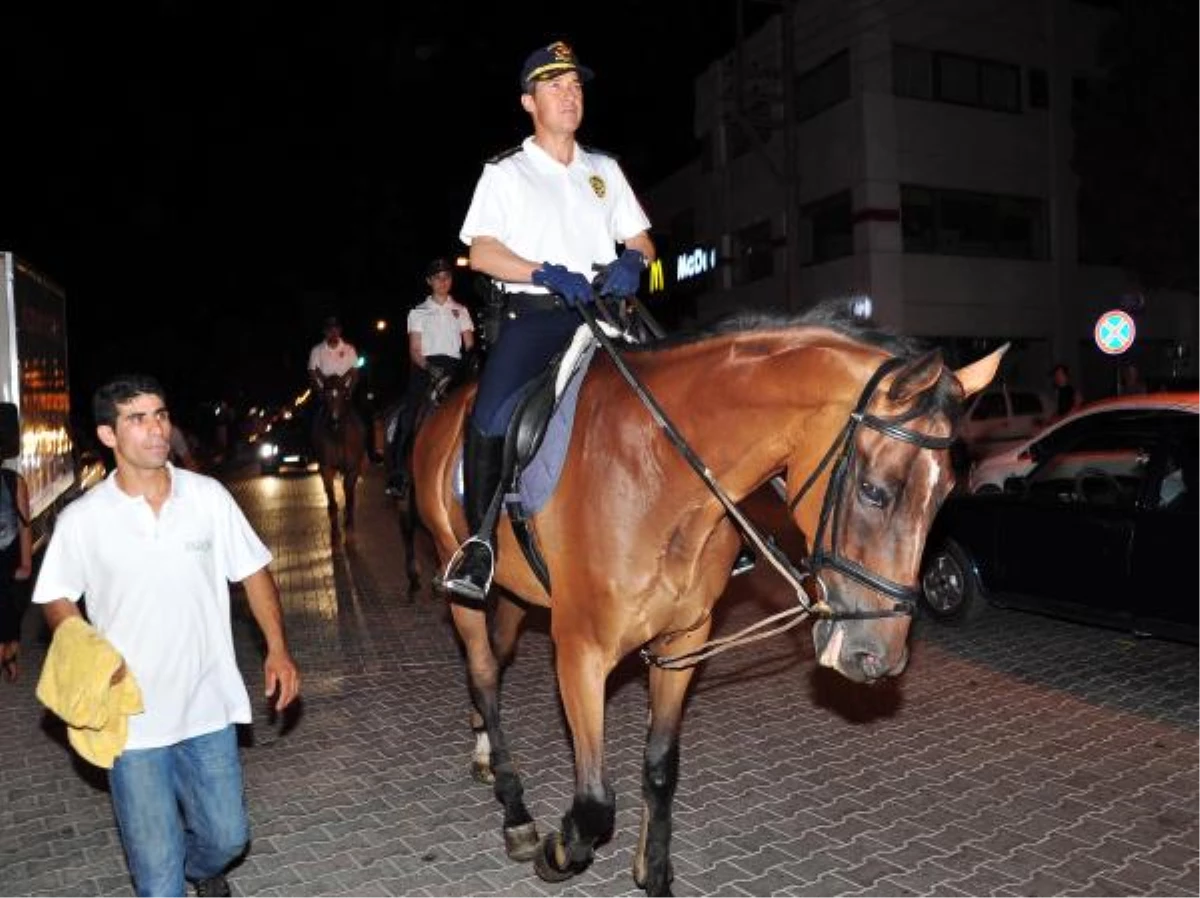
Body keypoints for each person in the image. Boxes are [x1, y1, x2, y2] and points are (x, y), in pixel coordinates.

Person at [32, 374, 300, 898]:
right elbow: (55, 597)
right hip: (131, 720)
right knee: (157, 881)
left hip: (207, 704)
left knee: (229, 837)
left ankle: (200, 867)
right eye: (138, 419)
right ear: (109, 436)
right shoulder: (84, 520)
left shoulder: (207, 497)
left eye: (160, 415)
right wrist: (81, 646)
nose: (157, 430)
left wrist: (278, 649)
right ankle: (170, 864)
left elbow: (254, 573)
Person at [439, 40, 656, 601]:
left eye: (576, 86)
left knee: (685, 386)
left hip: (606, 314)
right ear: (528, 101)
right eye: (555, 86)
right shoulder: (507, 173)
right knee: (488, 417)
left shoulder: (603, 168)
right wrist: (543, 272)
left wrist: (634, 259)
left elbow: (642, 238)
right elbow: (483, 253)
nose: (569, 95)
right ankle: (481, 544)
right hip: (537, 318)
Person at [386, 257, 477, 498]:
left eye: (447, 276)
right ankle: (398, 474)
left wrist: (469, 356)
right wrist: (429, 367)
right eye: (438, 277)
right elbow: (415, 350)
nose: (443, 281)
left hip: (455, 368)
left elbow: (469, 345)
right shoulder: (418, 312)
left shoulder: (461, 310)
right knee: (409, 414)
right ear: (429, 281)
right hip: (426, 366)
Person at [0, 403, 32, 682]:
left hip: (7, 556)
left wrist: (26, 562)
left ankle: (11, 651)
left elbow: (24, 524)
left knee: (9, 615)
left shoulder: (13, 481)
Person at [307, 315, 360, 398]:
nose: (333, 333)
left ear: (340, 331)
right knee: (312, 409)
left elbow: (355, 373)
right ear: (324, 332)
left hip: (344, 391)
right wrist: (320, 392)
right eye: (330, 330)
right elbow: (312, 373)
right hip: (325, 392)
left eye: (336, 330)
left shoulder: (350, 349)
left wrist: (349, 392)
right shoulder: (316, 350)